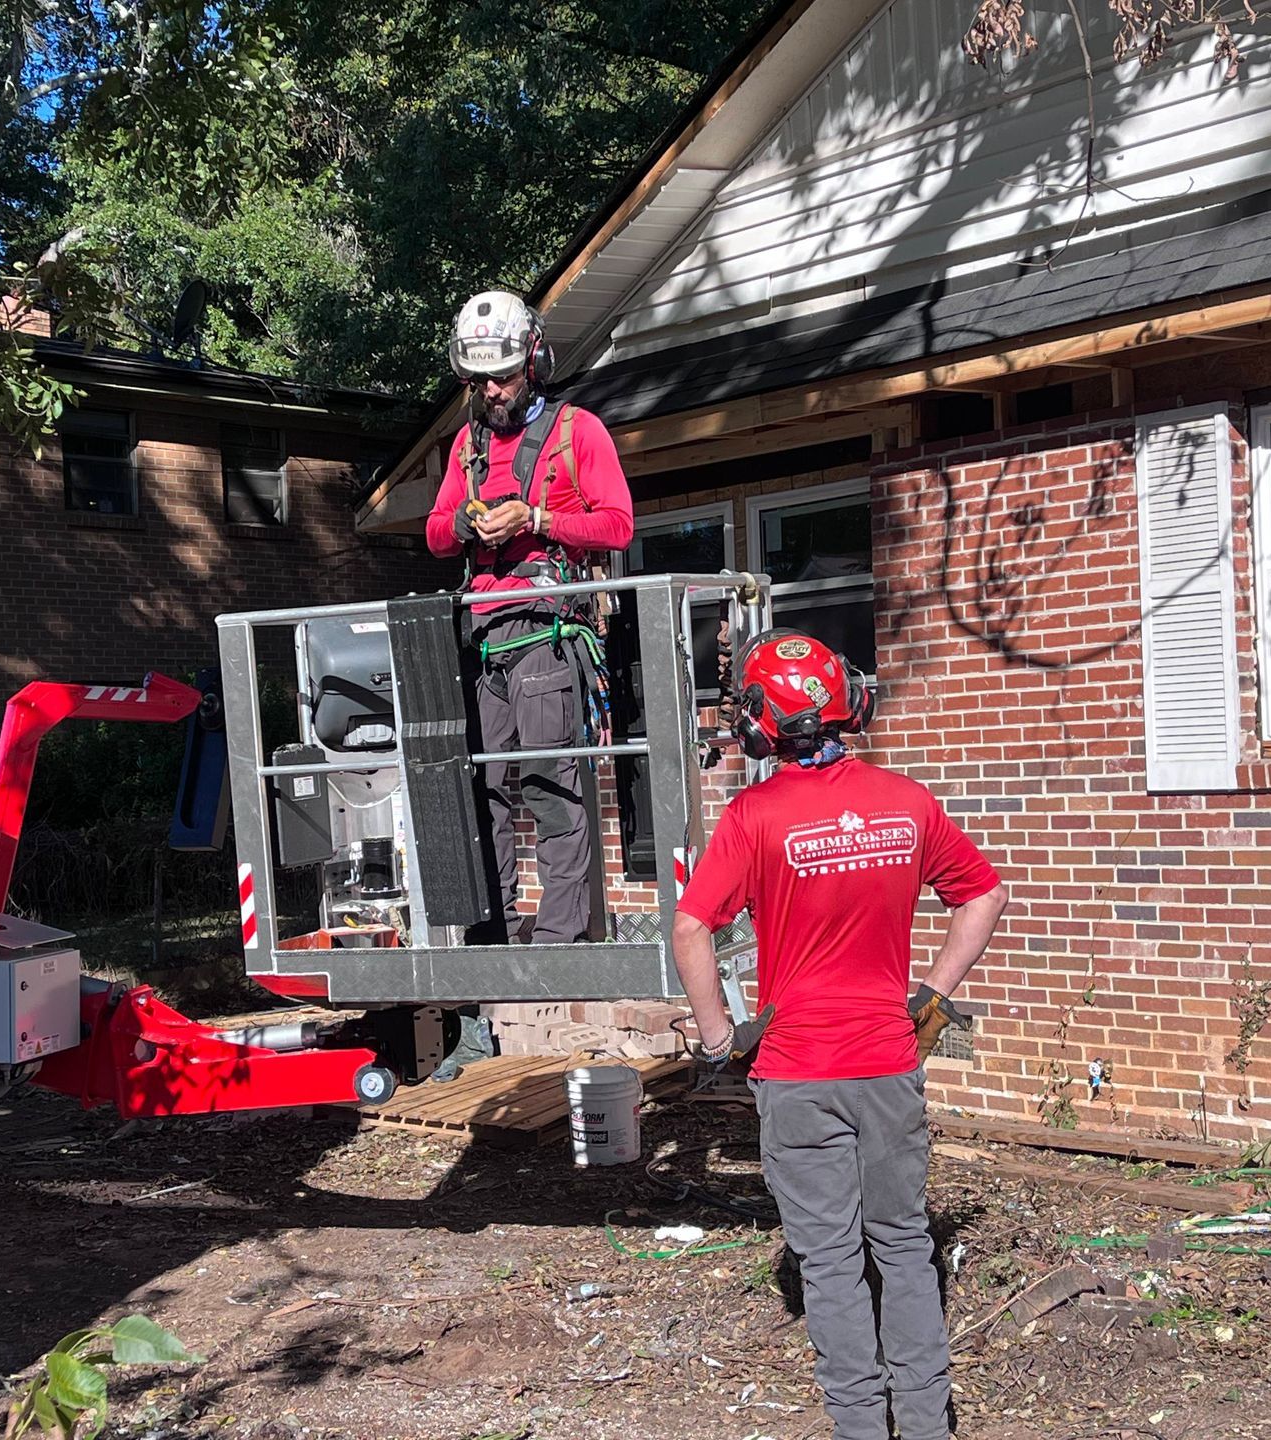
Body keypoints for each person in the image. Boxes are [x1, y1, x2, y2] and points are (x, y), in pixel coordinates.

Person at [670, 629, 1008, 1440]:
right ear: (842, 702)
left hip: (795, 1073)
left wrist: (719, 1039)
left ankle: (861, 1428)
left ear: (762, 721)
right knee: (901, 1244)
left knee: (828, 1263)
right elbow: (984, 896)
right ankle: (926, 1425)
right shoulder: (907, 801)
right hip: (888, 1062)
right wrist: (932, 994)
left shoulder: (754, 816)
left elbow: (691, 932)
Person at [426, 289, 634, 946]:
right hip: (484, 636)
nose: (491, 390)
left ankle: (560, 942)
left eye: (503, 375)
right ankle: (493, 934)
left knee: (549, 782)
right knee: (481, 789)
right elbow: (433, 532)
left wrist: (539, 518)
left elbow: (619, 524)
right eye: (479, 378)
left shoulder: (579, 432)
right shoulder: (467, 446)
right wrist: (462, 523)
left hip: (548, 628)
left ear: (533, 361)